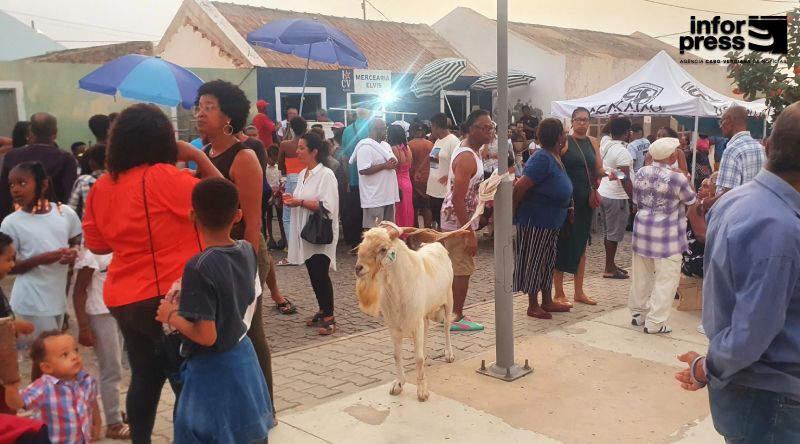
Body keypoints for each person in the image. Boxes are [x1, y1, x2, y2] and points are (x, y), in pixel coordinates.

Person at [82, 103, 222, 443]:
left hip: (122, 298)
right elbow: (225, 206)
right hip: (168, 297)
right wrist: (199, 158)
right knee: (186, 379)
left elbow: (98, 246)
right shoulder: (170, 179)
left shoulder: (102, 186)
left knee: (145, 376)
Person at [675, 102, 800, 442]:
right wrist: (705, 368)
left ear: (769, 147)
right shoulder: (780, 227)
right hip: (770, 399)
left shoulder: (734, 201)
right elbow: (750, 334)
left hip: (757, 394)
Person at [195, 80, 289, 417]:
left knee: (251, 332)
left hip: (244, 253)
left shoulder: (244, 156)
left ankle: (266, 407)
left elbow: (252, 223)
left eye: (209, 107)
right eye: (199, 107)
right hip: (212, 255)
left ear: (228, 117)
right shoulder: (206, 154)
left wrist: (244, 268)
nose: (200, 114)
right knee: (222, 334)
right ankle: (236, 403)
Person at [155, 178, 272, 443]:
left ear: (191, 215)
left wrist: (170, 315)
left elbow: (207, 336)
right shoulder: (246, 250)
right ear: (237, 215)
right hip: (244, 358)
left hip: (213, 370)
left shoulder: (198, 266)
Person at [1, 162, 81, 342]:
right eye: (11, 185)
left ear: (43, 185)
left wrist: (73, 252)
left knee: (47, 359)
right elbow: (8, 268)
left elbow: (75, 241)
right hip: (31, 302)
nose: (15, 190)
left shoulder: (65, 213)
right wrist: (41, 259)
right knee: (48, 355)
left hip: (57, 299)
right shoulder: (11, 223)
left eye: (22, 183)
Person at [628, 137, 696, 334]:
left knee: (641, 275)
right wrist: (685, 176)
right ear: (672, 155)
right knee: (666, 279)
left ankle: (637, 313)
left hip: (642, 231)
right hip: (668, 235)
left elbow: (636, 201)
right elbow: (691, 200)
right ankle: (656, 322)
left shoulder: (641, 172)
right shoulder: (677, 178)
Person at [512, 118, 573, 319]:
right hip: (536, 220)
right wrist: (513, 215)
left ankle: (547, 300)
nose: (565, 136)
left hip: (552, 220)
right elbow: (520, 188)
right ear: (558, 137)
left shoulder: (555, 156)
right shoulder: (542, 158)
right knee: (534, 261)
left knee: (547, 261)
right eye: (563, 133)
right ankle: (533, 305)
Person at [284, 132, 340, 335]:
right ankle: (322, 309)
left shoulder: (325, 175)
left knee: (320, 273)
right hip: (306, 232)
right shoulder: (302, 174)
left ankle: (330, 316)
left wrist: (299, 202)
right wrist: (293, 198)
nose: (297, 151)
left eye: (301, 148)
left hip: (319, 232)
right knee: (313, 273)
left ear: (314, 151)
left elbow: (328, 206)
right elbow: (302, 197)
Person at [72, 248, 129, 440]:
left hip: (118, 309)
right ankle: (113, 423)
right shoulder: (92, 255)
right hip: (100, 313)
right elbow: (79, 292)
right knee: (110, 368)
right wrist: (83, 327)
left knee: (119, 365)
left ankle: (118, 411)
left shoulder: (119, 247)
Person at [4, 331, 101, 443]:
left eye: (75, 350)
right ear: (47, 367)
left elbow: (91, 400)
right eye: (65, 354)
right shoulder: (44, 387)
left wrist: (97, 421)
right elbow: (18, 404)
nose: (74, 356)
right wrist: (11, 388)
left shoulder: (85, 378)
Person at [442, 109, 491, 332]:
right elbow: (457, 198)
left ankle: (453, 312)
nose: (490, 131)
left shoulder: (472, 151)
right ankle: (455, 317)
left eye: (491, 127)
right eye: (484, 127)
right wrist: (468, 232)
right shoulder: (467, 156)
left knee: (459, 268)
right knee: (462, 269)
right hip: (457, 221)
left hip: (460, 219)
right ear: (472, 129)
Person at [554, 107, 604, 307]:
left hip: (585, 200)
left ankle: (579, 291)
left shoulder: (593, 142)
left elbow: (598, 168)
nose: (582, 123)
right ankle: (558, 292)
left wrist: (610, 174)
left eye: (586, 120)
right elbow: (556, 164)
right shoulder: (565, 141)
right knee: (563, 244)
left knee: (582, 245)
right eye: (578, 120)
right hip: (567, 201)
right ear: (572, 122)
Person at [0, 113, 78, 219]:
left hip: (18, 218)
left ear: (31, 131)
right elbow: (68, 193)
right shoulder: (66, 159)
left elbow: (4, 193)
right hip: (53, 219)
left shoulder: (12, 156)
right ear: (55, 132)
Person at [701, 106, 765, 212]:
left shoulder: (732, 150)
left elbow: (729, 194)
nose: (720, 126)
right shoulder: (760, 148)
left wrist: (708, 203)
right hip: (756, 213)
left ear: (729, 120)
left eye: (721, 122)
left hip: (737, 215)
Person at [598, 116, 633, 280]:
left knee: (608, 232)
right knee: (613, 234)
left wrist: (610, 172)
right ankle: (609, 268)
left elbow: (605, 131)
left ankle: (610, 264)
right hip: (617, 196)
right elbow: (625, 178)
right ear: (627, 133)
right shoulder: (622, 151)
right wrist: (633, 199)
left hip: (604, 192)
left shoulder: (605, 143)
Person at [350, 118, 399, 228]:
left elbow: (393, 162)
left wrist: (394, 163)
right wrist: (384, 165)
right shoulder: (365, 147)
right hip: (374, 197)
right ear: (373, 130)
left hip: (388, 196)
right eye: (382, 129)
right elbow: (363, 170)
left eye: (385, 129)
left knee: (389, 230)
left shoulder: (386, 145)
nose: (385, 131)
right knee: (373, 232)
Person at [337, 108, 371, 248]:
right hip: (369, 177)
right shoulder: (371, 128)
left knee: (354, 209)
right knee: (368, 210)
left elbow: (344, 157)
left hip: (353, 176)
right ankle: (367, 239)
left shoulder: (347, 130)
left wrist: (347, 177)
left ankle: (355, 241)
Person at [279, 116, 309, 254]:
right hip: (307, 178)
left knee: (288, 216)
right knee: (304, 213)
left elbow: (281, 165)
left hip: (291, 179)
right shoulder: (308, 144)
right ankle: (304, 246)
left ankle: (293, 248)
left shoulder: (285, 145)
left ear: (291, 128)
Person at [427, 113, 460, 230]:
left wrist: (449, 176)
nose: (431, 129)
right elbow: (434, 162)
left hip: (444, 191)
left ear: (436, 126)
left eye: (432, 126)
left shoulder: (453, 141)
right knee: (436, 217)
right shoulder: (437, 141)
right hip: (433, 188)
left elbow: (458, 164)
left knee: (444, 221)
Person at [681, 173, 716, 279]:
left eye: (705, 186)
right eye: (701, 185)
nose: (700, 189)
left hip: (706, 254)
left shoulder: (715, 208)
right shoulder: (696, 205)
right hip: (693, 259)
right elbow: (702, 236)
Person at [67, 144, 105, 219]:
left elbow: (71, 210)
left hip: (87, 227)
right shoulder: (119, 179)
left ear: (91, 163)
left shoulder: (84, 181)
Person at [389, 124, 414, 229]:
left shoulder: (393, 148)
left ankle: (400, 235)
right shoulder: (407, 148)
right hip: (408, 182)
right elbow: (410, 165)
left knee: (399, 211)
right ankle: (409, 236)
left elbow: (393, 167)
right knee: (408, 209)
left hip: (398, 183)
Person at [408, 122, 433, 228]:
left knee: (414, 208)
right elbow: (434, 163)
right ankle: (427, 230)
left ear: (413, 132)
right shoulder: (431, 144)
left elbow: (408, 163)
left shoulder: (409, 145)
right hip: (428, 179)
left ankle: (416, 232)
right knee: (427, 207)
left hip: (413, 179)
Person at [265, 144, 286, 250]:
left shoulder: (278, 168)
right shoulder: (265, 169)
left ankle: (283, 237)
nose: (274, 162)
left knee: (280, 216)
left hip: (277, 194)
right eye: (272, 160)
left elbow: (281, 179)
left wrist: (279, 188)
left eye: (275, 160)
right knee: (268, 216)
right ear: (267, 157)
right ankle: (271, 238)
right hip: (268, 194)